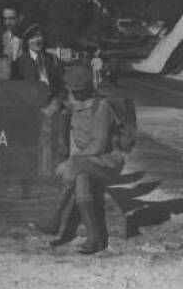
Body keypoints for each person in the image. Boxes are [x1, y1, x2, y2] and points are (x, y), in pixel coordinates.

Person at [46, 65, 126, 254]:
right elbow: (51, 112)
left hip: (107, 161)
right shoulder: (74, 105)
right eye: (71, 91)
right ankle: (94, 239)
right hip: (87, 163)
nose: (73, 94)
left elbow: (99, 145)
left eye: (76, 91)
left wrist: (70, 161)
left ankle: (55, 218)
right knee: (81, 177)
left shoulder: (101, 105)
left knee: (76, 166)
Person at [14, 23, 64, 101]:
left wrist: (56, 103)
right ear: (26, 42)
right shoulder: (19, 63)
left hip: (53, 103)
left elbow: (62, 85)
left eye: (39, 36)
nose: (36, 40)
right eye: (32, 37)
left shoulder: (53, 59)